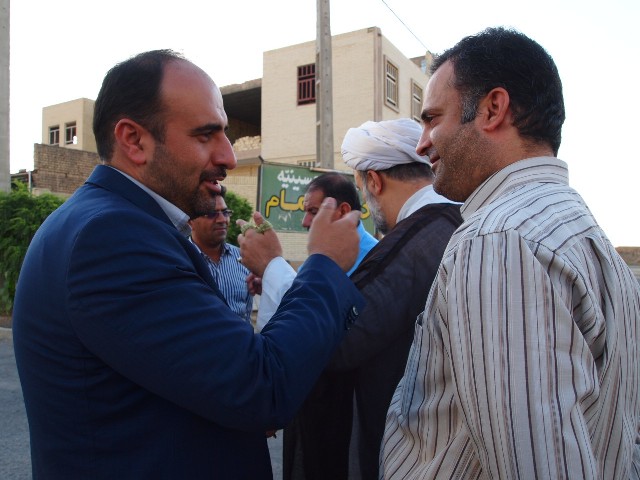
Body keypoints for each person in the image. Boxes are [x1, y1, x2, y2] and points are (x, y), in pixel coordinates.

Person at [12, 49, 365, 480]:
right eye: (205, 135)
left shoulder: (110, 223)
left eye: (225, 134)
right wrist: (325, 264)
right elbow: (260, 386)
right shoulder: (110, 237)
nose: (228, 157)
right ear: (133, 140)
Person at [381, 27, 640, 479]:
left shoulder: (497, 240)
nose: (422, 144)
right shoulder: (586, 237)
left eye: (432, 118)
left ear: (492, 109)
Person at [253, 171, 378, 332]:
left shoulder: (375, 259)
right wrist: (271, 283)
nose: (305, 222)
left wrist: (273, 265)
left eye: (313, 212)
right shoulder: (323, 254)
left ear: (343, 211)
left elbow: (317, 318)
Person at [189, 189, 253, 323]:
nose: (222, 219)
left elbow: (246, 314)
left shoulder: (244, 258)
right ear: (190, 221)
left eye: (225, 212)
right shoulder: (180, 259)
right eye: (211, 214)